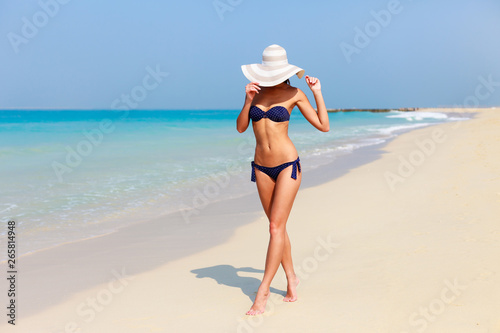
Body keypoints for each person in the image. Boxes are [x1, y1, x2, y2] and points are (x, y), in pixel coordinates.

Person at [236, 44, 329, 315]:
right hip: (262, 168)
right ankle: (291, 279)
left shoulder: (294, 93)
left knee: (275, 228)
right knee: (278, 227)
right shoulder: (255, 92)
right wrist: (246, 101)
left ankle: (263, 291)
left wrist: (317, 92)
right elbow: (242, 127)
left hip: (288, 166)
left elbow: (324, 125)